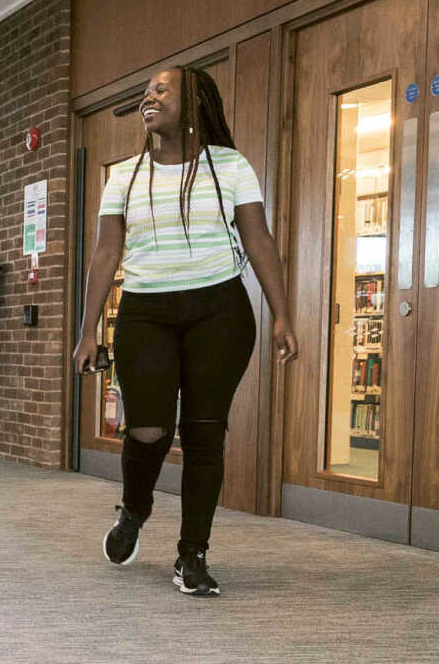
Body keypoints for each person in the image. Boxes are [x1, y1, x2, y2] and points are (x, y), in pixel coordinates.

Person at [72, 66, 297, 597]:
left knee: (204, 432)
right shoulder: (125, 175)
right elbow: (106, 252)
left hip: (219, 310)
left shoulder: (230, 166)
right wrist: (87, 332)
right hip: (146, 312)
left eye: (161, 90)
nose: (149, 97)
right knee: (148, 429)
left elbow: (259, 239)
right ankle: (135, 508)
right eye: (147, 92)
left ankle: (191, 554)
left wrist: (282, 312)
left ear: (193, 104)